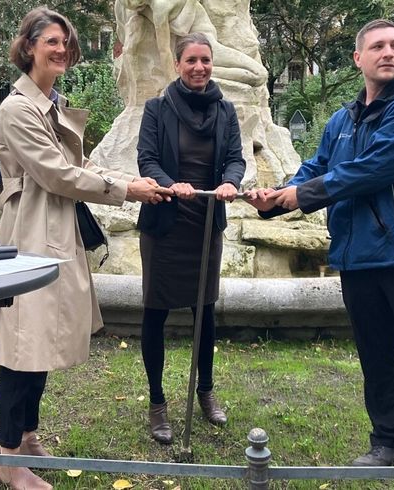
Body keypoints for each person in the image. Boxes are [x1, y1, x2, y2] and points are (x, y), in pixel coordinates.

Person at [247, 19, 394, 490]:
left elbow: (371, 169)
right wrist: (277, 197)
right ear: (359, 58)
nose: (389, 52)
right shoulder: (342, 120)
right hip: (358, 259)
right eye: (378, 46)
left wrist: (305, 194)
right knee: (376, 358)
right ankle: (387, 444)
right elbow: (316, 167)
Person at [0, 7, 172, 489]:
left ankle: (26, 438)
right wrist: (126, 191)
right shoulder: (17, 109)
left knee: (42, 339)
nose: (61, 49)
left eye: (65, 42)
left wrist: (131, 179)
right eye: (51, 41)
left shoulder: (52, 104)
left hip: (57, 232)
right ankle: (7, 460)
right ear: (28, 47)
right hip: (29, 234)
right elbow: (56, 174)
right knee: (23, 342)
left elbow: (83, 165)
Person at [135, 32, 245, 445]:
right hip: (166, 225)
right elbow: (146, 158)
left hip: (205, 223)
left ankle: (205, 392)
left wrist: (231, 182)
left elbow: (235, 157)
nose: (199, 67)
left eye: (205, 60)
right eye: (191, 60)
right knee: (155, 312)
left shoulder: (226, 110)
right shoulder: (157, 109)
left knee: (206, 312)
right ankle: (158, 403)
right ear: (177, 64)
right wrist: (170, 183)